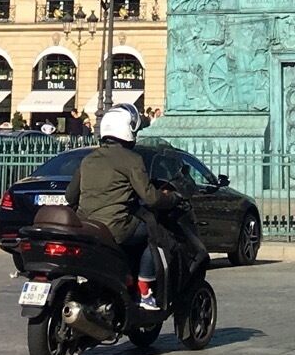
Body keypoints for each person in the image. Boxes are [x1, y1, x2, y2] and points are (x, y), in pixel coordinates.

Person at [66, 107, 202, 310]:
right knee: (155, 233)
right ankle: (144, 288)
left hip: (87, 227)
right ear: (128, 131)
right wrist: (172, 198)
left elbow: (70, 196)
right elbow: (150, 197)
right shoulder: (132, 159)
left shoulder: (89, 159)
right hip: (115, 226)